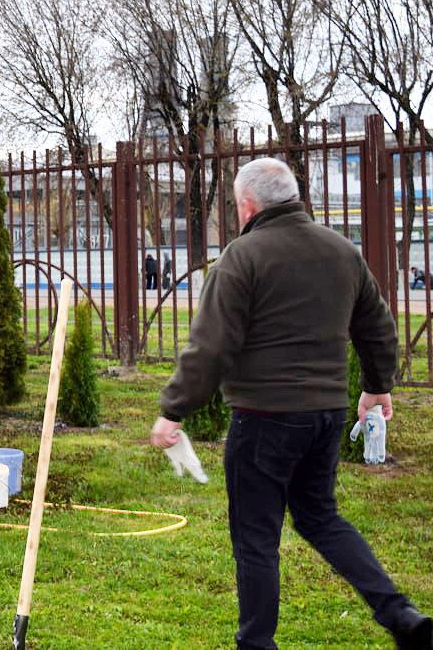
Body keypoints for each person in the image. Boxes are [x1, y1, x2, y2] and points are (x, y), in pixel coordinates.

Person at [149, 158, 430, 649]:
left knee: (256, 537)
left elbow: (211, 346)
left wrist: (174, 409)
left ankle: (256, 643)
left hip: (263, 419)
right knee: (321, 517)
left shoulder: (242, 256)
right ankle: (400, 613)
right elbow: (378, 326)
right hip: (325, 416)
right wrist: (376, 386)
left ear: (247, 205)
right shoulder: (341, 251)